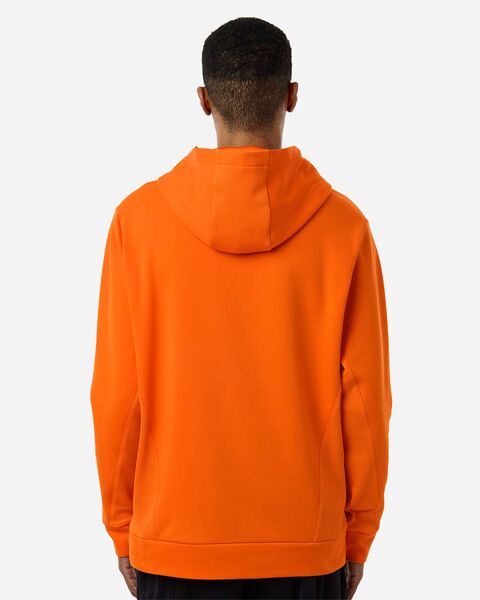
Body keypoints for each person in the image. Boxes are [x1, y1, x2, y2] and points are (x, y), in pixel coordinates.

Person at [90, 16, 392, 600]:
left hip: (175, 545)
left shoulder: (138, 223)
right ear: (291, 96)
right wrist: (357, 537)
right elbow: (366, 401)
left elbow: (116, 397)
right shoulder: (344, 228)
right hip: (304, 548)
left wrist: (124, 529)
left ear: (204, 100)